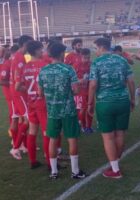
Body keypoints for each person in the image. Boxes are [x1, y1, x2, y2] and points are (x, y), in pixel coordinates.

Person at [88, 38, 135, 179]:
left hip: (105, 103)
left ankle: (115, 170)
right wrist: (132, 99)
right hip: (122, 101)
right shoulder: (122, 60)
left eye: (96, 48)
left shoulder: (96, 62)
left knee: (108, 137)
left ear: (101, 47)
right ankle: (115, 164)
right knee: (120, 134)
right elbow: (131, 81)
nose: (95, 51)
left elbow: (93, 85)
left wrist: (90, 103)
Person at [38, 42, 86, 180]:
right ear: (60, 54)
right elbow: (76, 90)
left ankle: (54, 172)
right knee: (72, 139)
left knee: (53, 139)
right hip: (68, 110)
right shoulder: (68, 69)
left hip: (52, 111)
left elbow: (40, 93)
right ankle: (75, 171)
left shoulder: (43, 70)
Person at [22, 41, 50, 169]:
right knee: (46, 132)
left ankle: (32, 161)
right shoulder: (44, 65)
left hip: (30, 102)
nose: (42, 52)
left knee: (32, 131)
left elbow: (19, 86)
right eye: (41, 49)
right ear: (36, 50)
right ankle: (51, 163)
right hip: (42, 102)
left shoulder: (25, 66)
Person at [10, 35, 33, 160]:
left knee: (21, 120)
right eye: (30, 44)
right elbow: (18, 84)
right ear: (25, 43)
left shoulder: (19, 57)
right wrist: (30, 90)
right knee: (28, 120)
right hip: (19, 94)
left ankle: (22, 145)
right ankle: (15, 148)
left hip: (16, 93)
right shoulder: (19, 58)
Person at [73, 48, 94, 134]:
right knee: (82, 109)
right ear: (81, 57)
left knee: (91, 108)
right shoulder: (76, 65)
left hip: (90, 90)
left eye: (88, 57)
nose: (87, 60)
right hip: (80, 91)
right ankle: (83, 126)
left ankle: (89, 127)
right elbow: (71, 79)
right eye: (85, 58)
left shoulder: (92, 64)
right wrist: (79, 80)